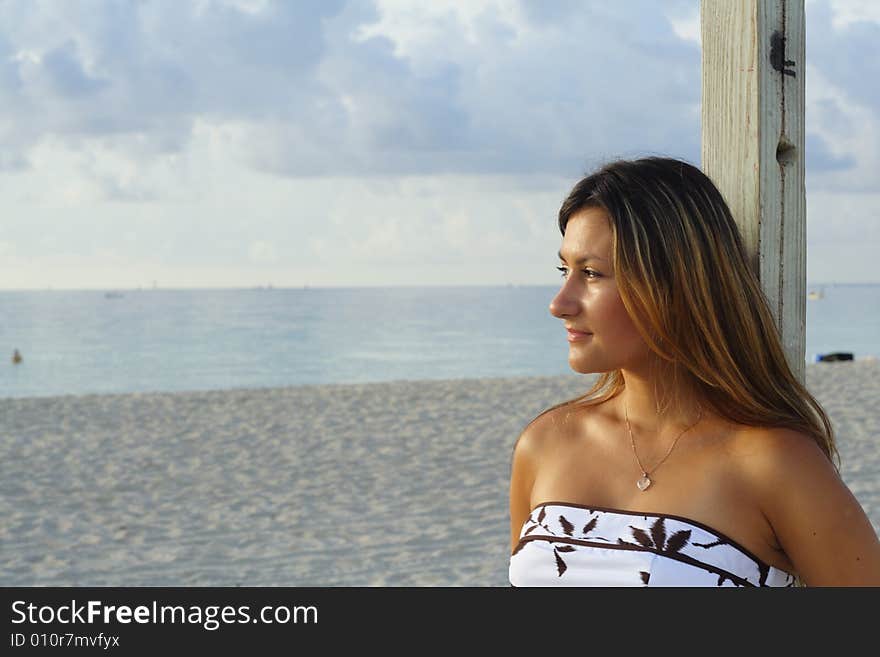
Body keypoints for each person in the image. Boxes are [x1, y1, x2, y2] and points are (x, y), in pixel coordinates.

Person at [508, 156, 880, 587]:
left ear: (675, 284)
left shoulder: (773, 463)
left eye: (591, 274)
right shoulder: (546, 442)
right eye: (564, 270)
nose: (559, 303)